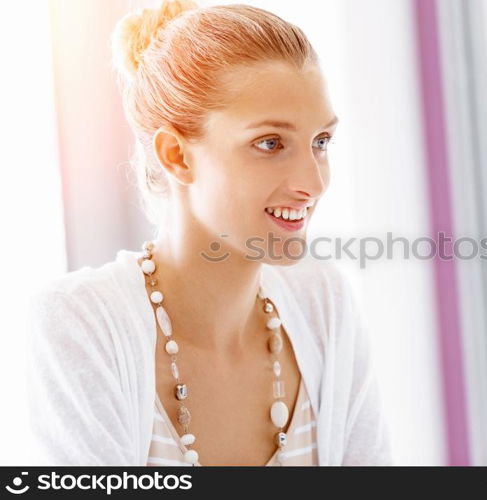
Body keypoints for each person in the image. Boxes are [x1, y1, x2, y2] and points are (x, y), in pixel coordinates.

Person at [25, 0, 393, 466]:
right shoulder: (82, 323)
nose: (313, 183)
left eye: (321, 142)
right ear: (176, 156)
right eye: (270, 143)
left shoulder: (322, 302)